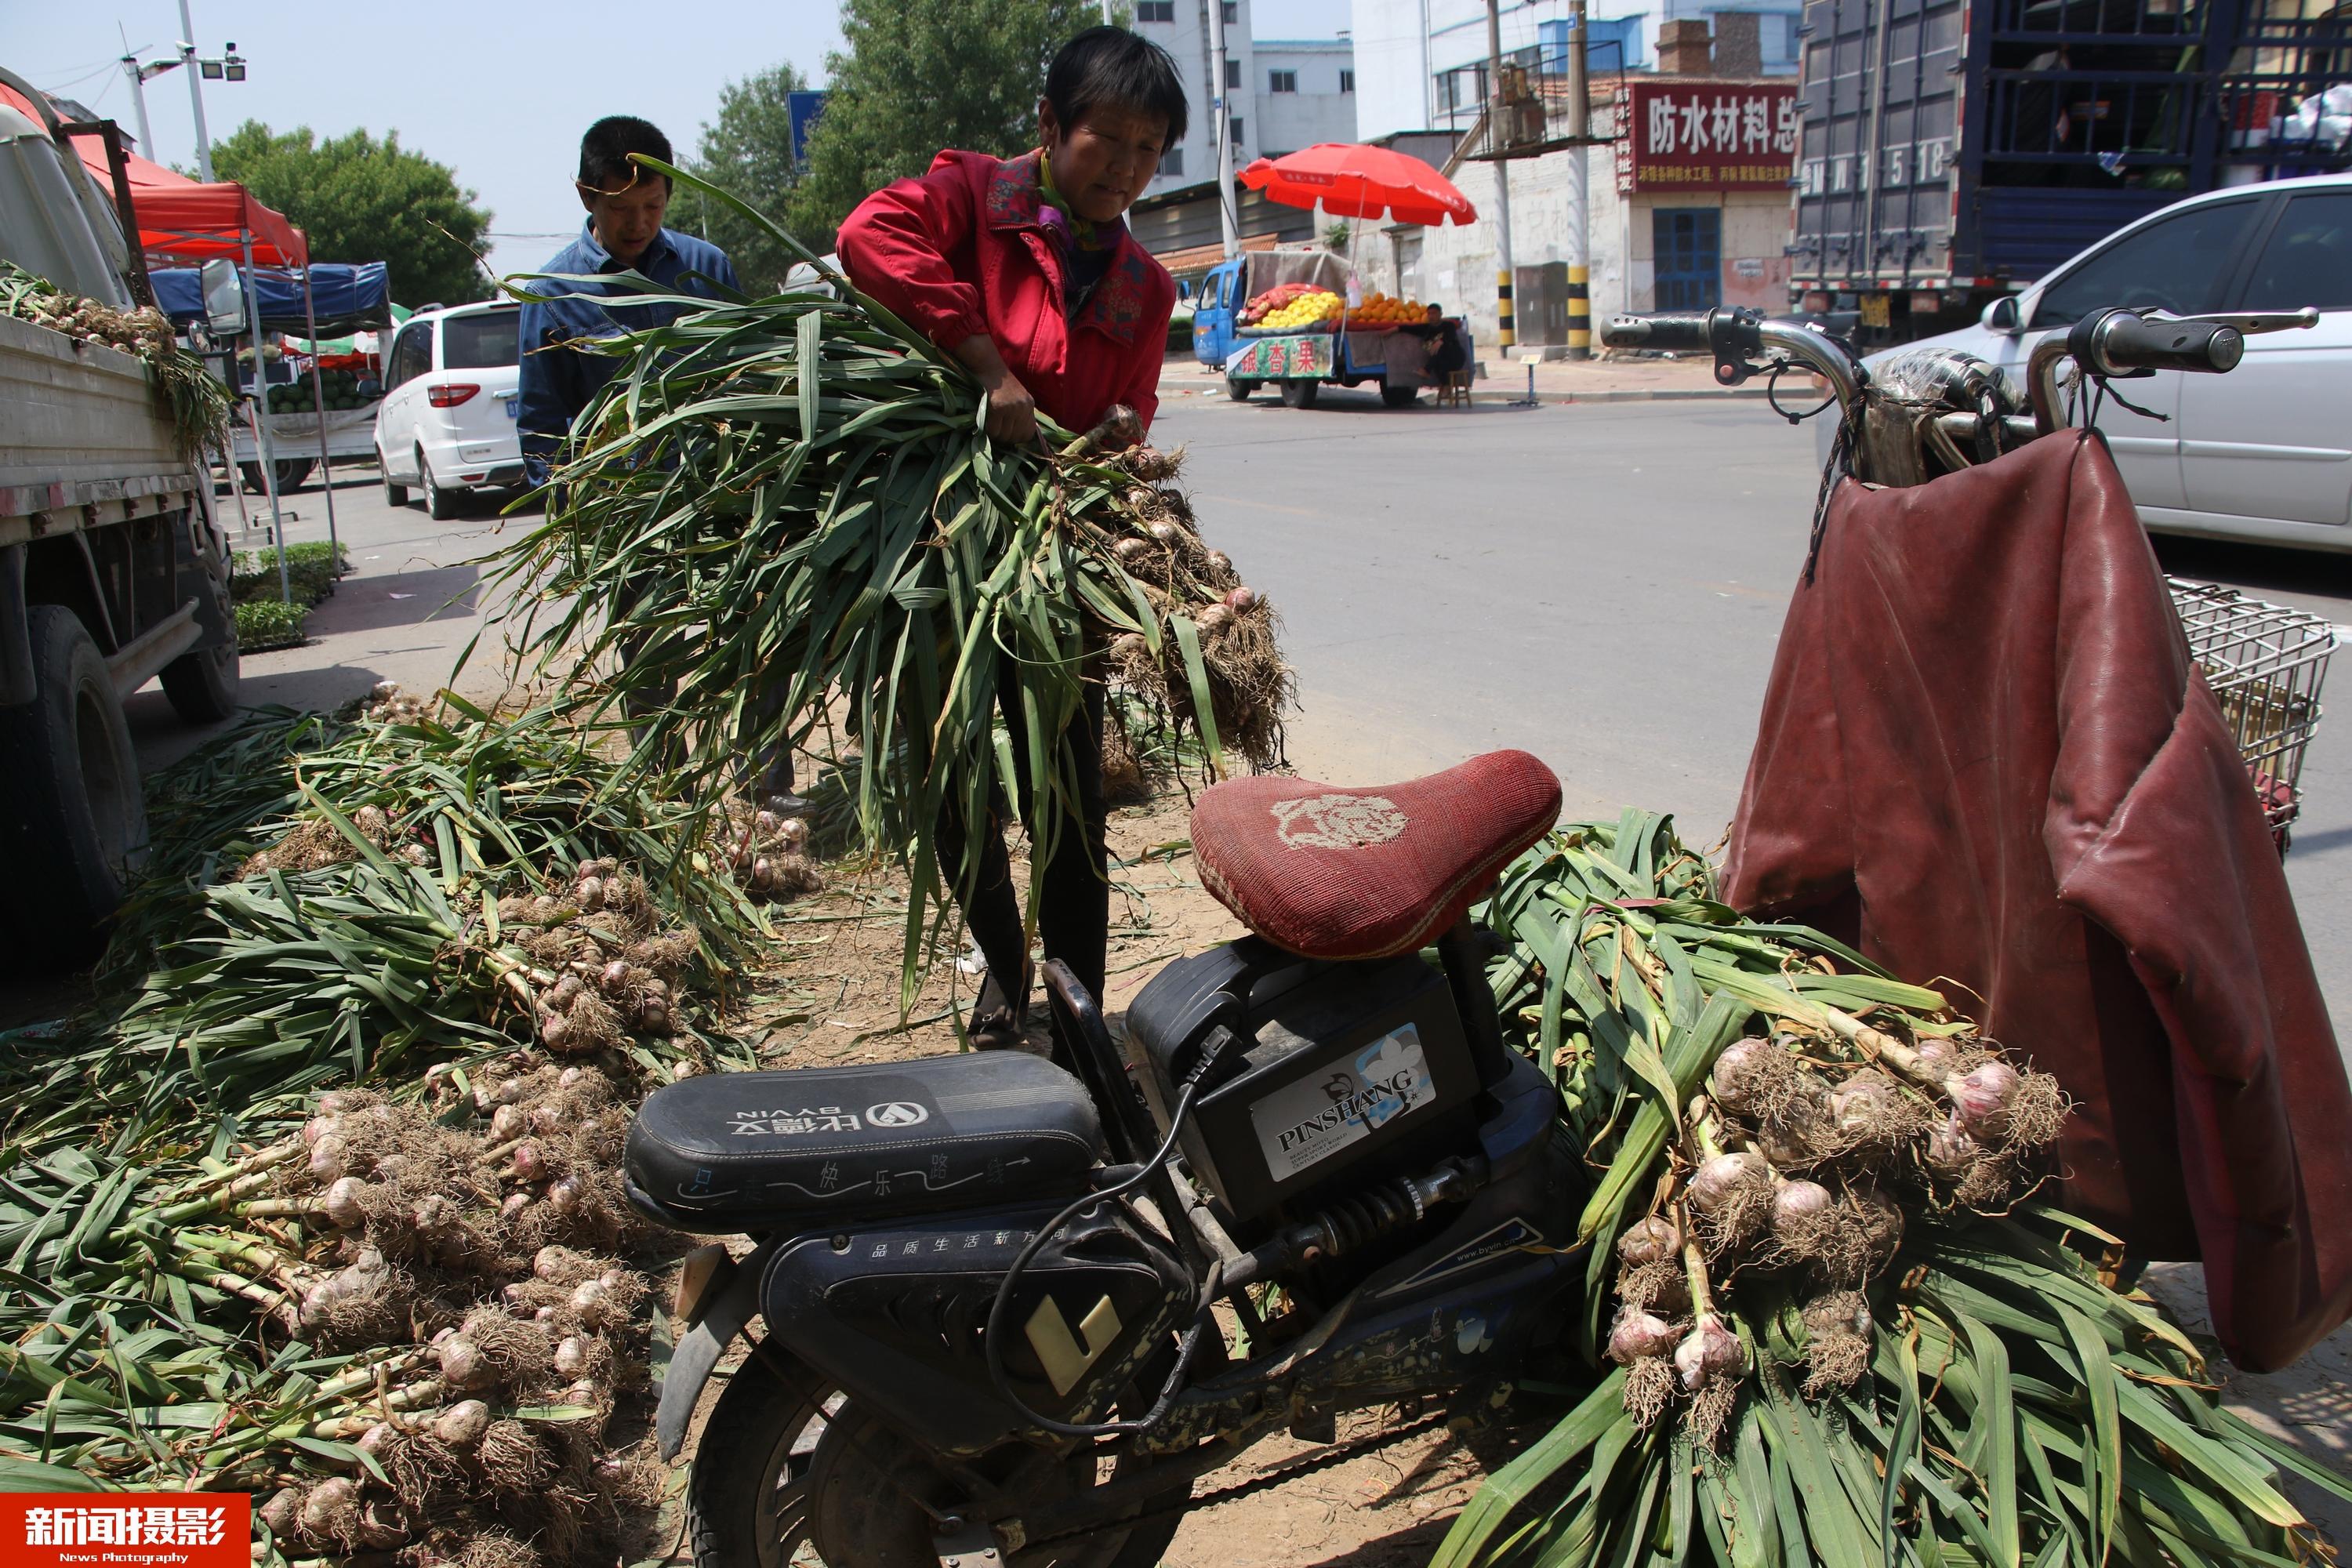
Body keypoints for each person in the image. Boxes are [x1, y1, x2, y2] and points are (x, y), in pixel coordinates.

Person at [836, 26, 1185, 1053]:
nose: (1124, 170)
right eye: (1106, 142)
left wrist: (1128, 490)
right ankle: (997, 971)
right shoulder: (970, 203)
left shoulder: (1146, 289)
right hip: (936, 543)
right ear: (1048, 126)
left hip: (1047, 557)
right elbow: (866, 240)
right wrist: (988, 365)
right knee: (952, 777)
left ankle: (1076, 1000)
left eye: (1147, 151)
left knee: (1069, 786)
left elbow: (1129, 418)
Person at [516, 118, 794, 800]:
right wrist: (571, 509)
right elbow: (542, 424)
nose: (638, 222)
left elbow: (752, 373)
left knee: (754, 635)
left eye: (653, 206)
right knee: (649, 656)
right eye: (620, 209)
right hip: (631, 515)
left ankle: (766, 790)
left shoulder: (707, 268)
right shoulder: (553, 293)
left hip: (725, 497)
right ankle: (668, 798)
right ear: (587, 196)